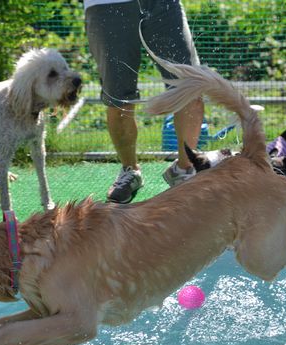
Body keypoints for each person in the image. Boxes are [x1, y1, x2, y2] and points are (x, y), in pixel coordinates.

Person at [84, 0, 205, 203]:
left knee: (190, 88)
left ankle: (185, 169)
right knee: (118, 98)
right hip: (106, 5)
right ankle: (130, 171)